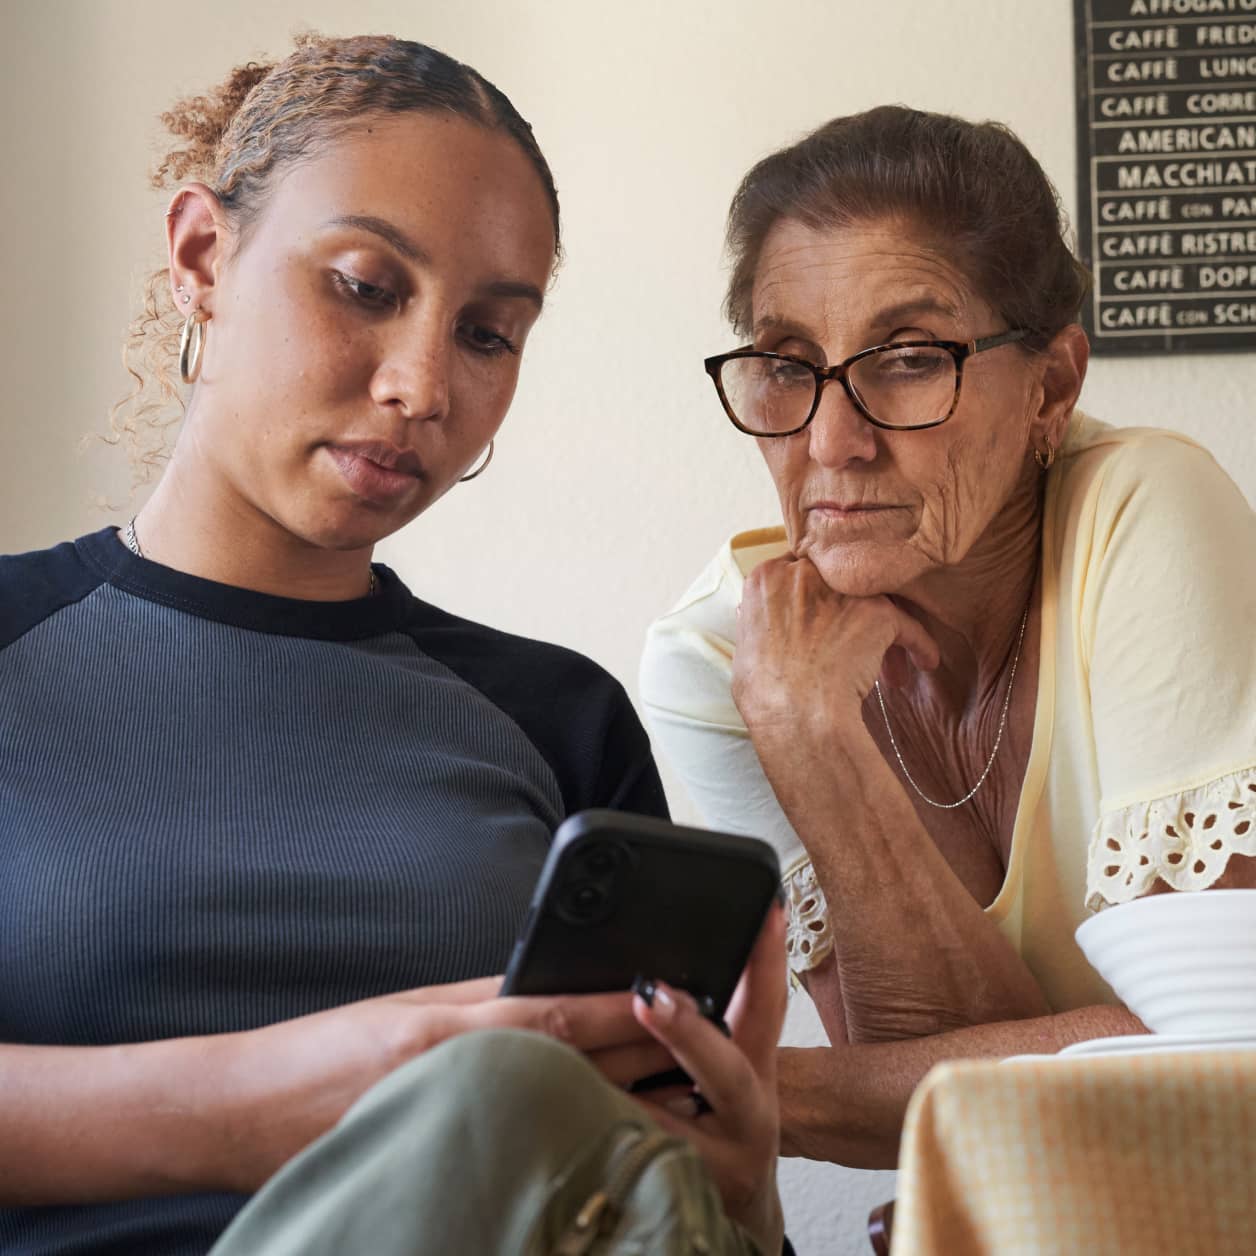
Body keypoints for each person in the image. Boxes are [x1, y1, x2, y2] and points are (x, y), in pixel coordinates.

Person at [0, 35, 785, 1255]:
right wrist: (266, 1097)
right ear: (202, 254)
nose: (423, 384)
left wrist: (745, 1190)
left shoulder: (558, 718)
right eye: (366, 285)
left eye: (487, 333)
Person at [640, 105, 1256, 1168]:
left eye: (910, 358)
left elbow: (1213, 1075)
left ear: (1050, 387)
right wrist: (805, 730)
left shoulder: (1142, 508)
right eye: (785, 365)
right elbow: (915, 1102)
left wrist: (717, 1089)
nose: (832, 441)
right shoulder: (717, 660)